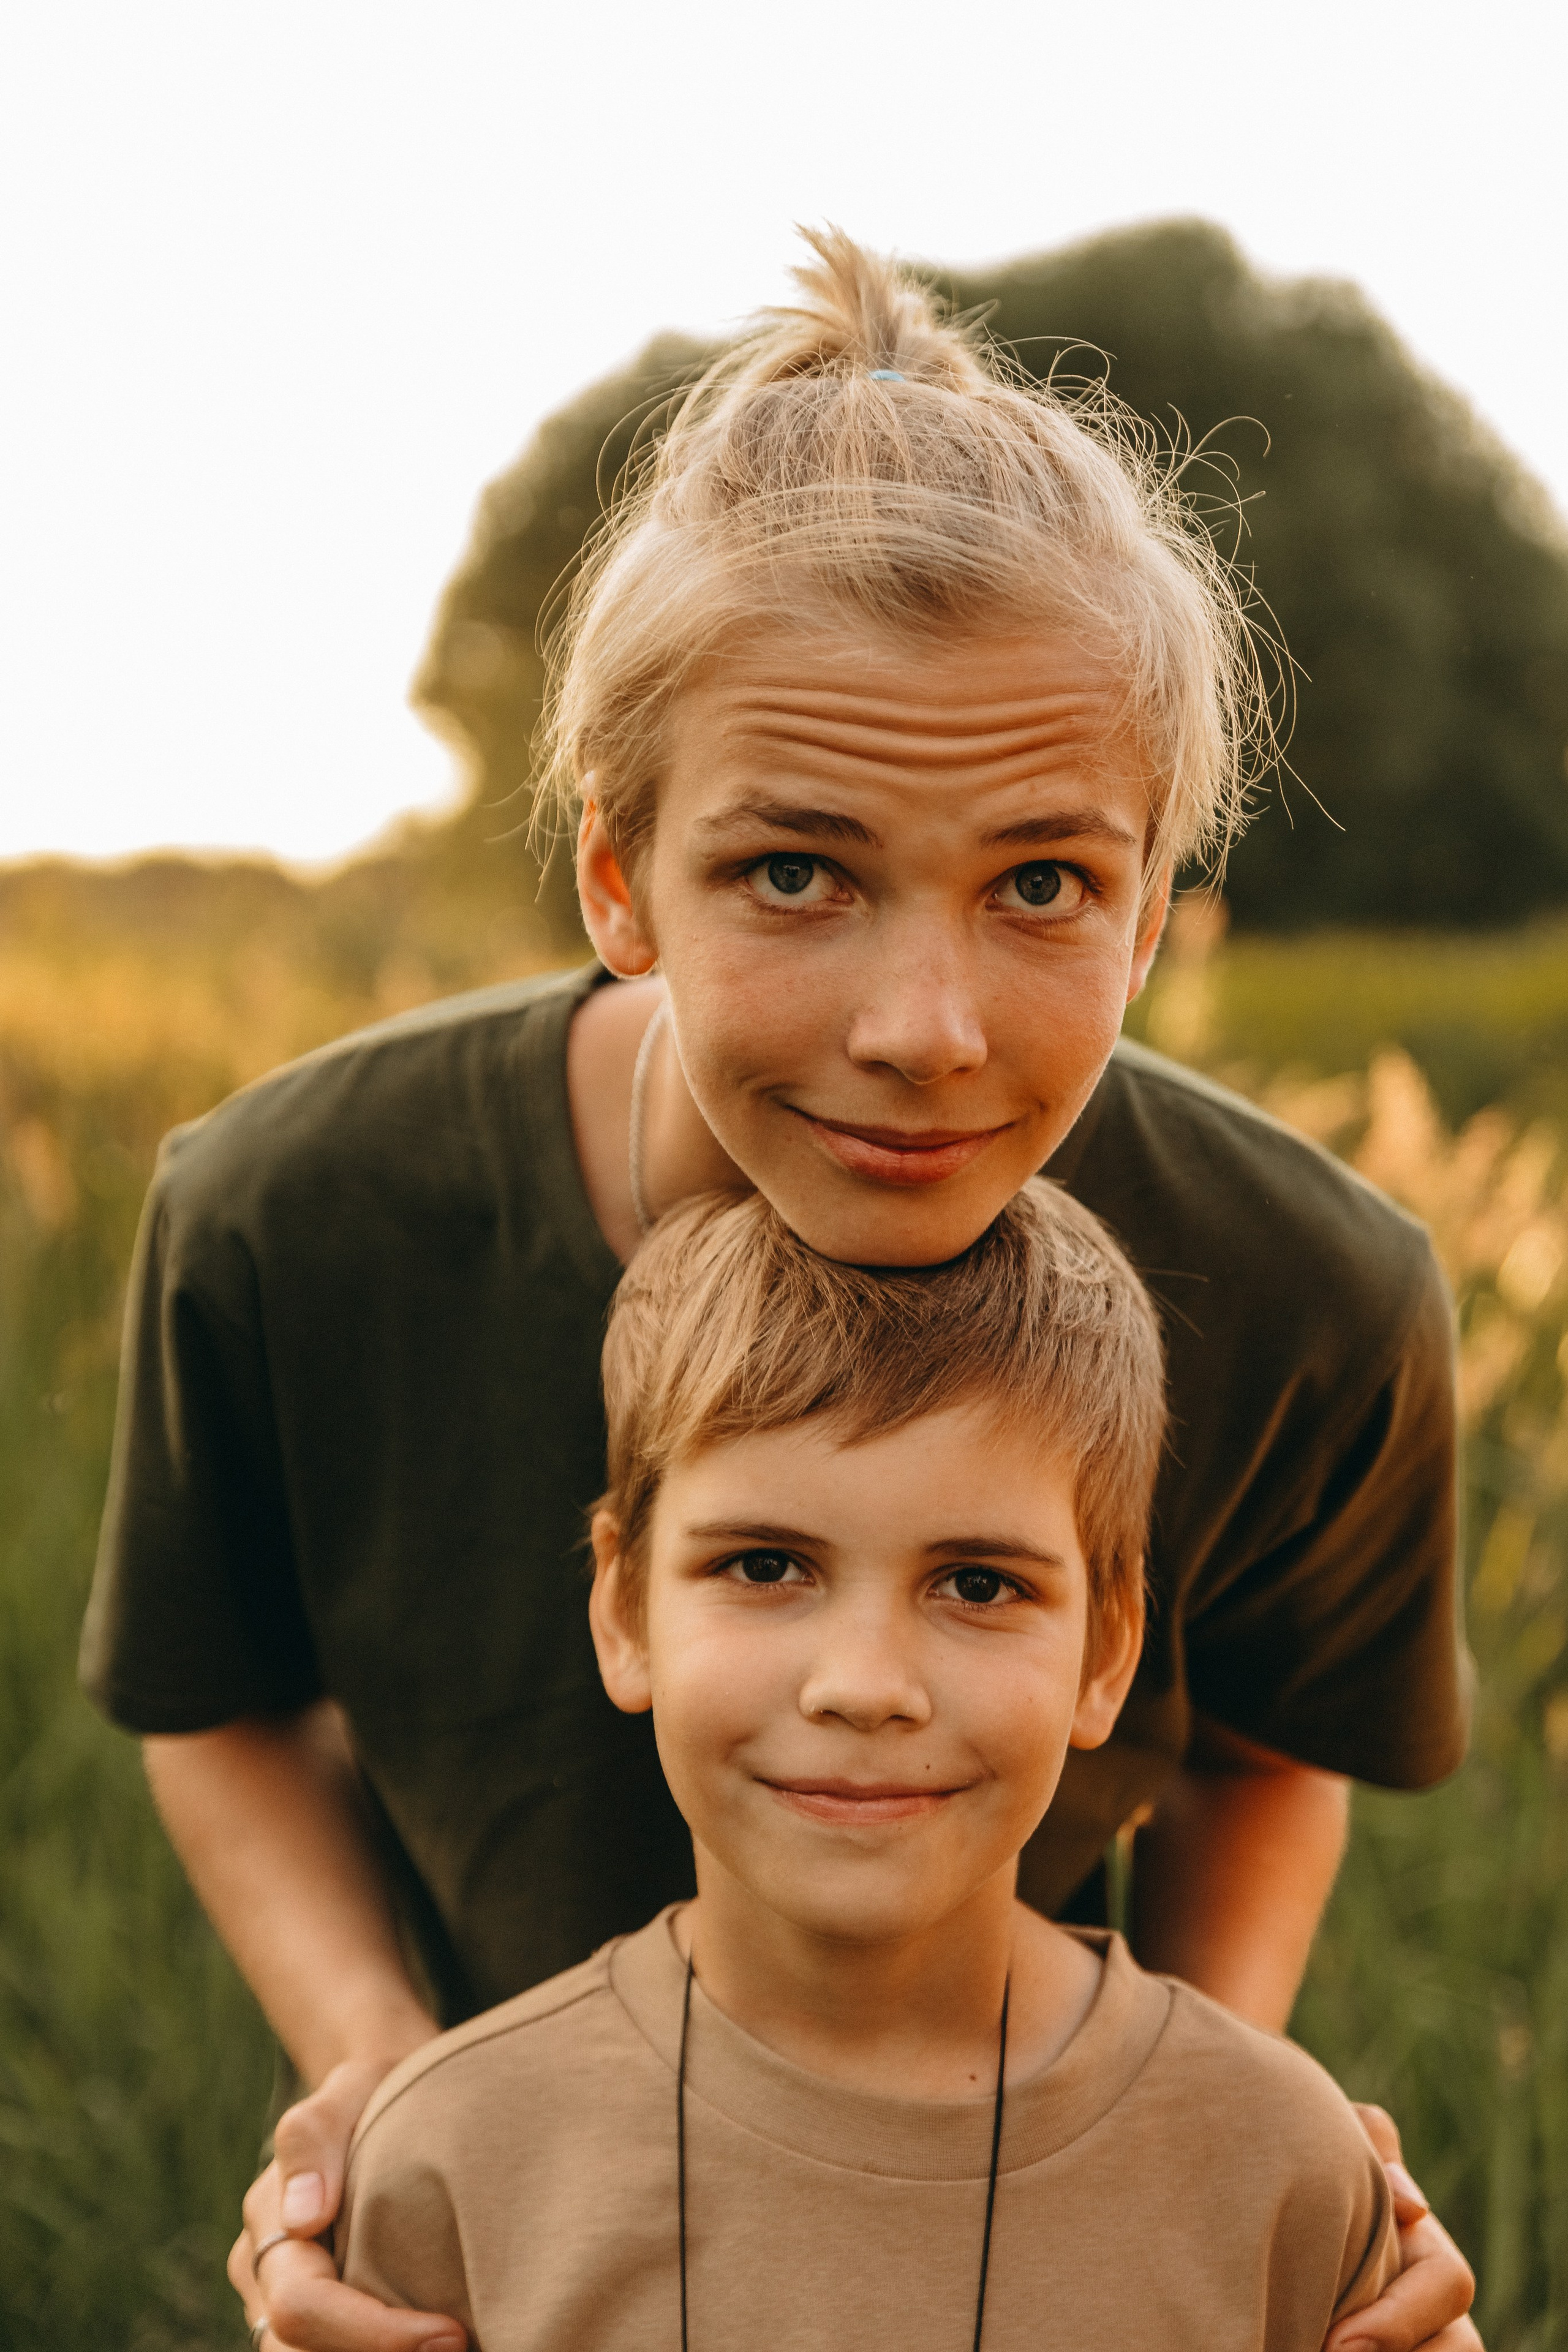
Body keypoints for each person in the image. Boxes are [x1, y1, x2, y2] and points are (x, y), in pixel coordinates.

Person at [80, 230, 1478, 2351]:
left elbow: (1276, 1746)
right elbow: (219, 1696)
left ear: (1160, 916)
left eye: (1040, 883)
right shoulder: (287, 1218)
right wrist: (369, 2065)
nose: (924, 1027)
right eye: (795, 871)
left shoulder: (1320, 1297)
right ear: (619, 876)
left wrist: (1199, 2134)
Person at [334, 1180, 1400, 2351]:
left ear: (1107, 1653)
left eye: (979, 1584)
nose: (864, 1684)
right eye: (764, 1566)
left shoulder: (1284, 2172)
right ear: (624, 1608)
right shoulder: (450, 2165)